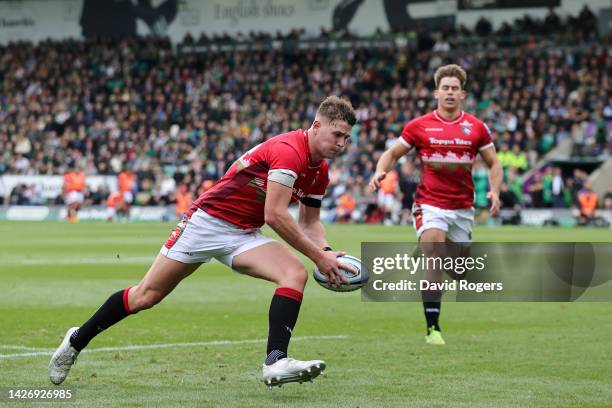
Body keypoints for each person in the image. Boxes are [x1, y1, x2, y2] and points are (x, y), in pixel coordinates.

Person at [48, 96, 357, 388]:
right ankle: (76, 340)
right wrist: (319, 257)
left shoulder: (320, 171)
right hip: (206, 223)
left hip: (243, 233)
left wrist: (328, 253)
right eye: (337, 134)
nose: (342, 144)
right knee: (146, 296)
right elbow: (275, 215)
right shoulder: (290, 150)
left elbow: (310, 222)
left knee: (294, 273)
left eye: (347, 138)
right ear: (316, 126)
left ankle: (275, 362)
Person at [368, 64, 502, 345]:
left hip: (463, 208)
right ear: (436, 92)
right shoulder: (419, 126)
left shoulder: (477, 128)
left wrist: (495, 191)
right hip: (430, 204)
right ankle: (433, 329)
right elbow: (392, 153)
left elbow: (494, 163)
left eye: (455, 88)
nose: (450, 92)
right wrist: (381, 170)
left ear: (462, 94)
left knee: (458, 270)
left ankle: (429, 246)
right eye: (445, 88)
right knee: (435, 256)